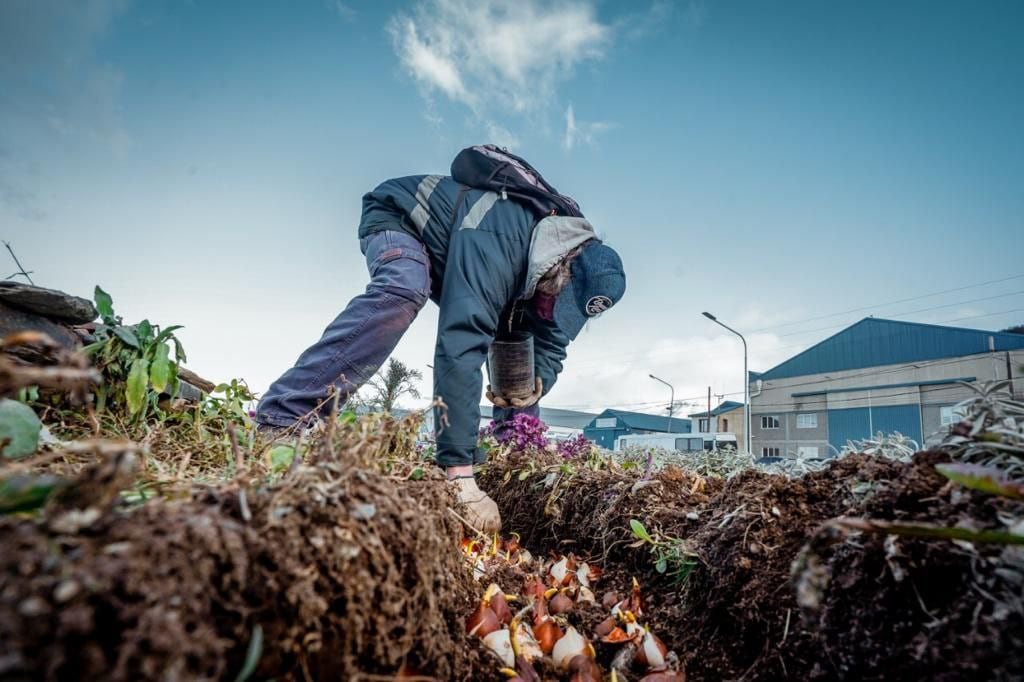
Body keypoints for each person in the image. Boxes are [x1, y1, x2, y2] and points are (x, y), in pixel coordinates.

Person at [255, 168, 626, 532]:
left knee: (522, 367)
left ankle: (508, 457)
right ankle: (286, 415)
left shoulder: (561, 279)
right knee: (404, 288)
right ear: (560, 266)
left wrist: (536, 380)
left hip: (478, 261)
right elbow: (461, 344)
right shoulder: (501, 241)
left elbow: (552, 341)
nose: (551, 311)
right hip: (399, 218)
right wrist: (458, 473)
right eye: (555, 300)